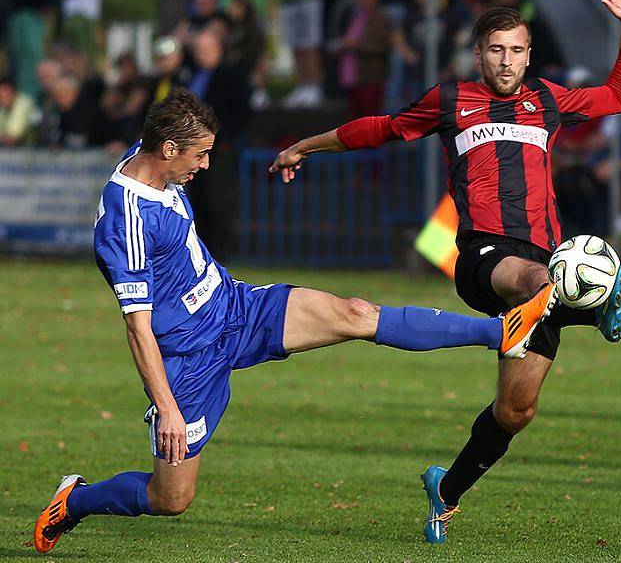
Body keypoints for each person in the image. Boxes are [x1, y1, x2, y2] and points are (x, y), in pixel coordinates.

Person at [33, 87, 556, 554]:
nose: (206, 167)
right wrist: (166, 407)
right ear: (169, 150)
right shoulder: (125, 221)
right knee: (170, 499)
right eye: (201, 156)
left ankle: (503, 331)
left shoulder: (154, 158)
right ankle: (75, 501)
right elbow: (138, 327)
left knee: (355, 314)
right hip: (188, 360)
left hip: (236, 308)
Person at [271, 0, 621, 543]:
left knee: (516, 411)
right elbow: (382, 129)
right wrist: (305, 145)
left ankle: (446, 490)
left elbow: (617, 96)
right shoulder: (449, 100)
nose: (507, 60)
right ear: (478, 54)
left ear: (529, 53)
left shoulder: (546, 99)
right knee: (544, 277)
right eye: (496, 50)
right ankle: (594, 305)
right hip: (484, 258)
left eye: (517, 50)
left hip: (540, 274)